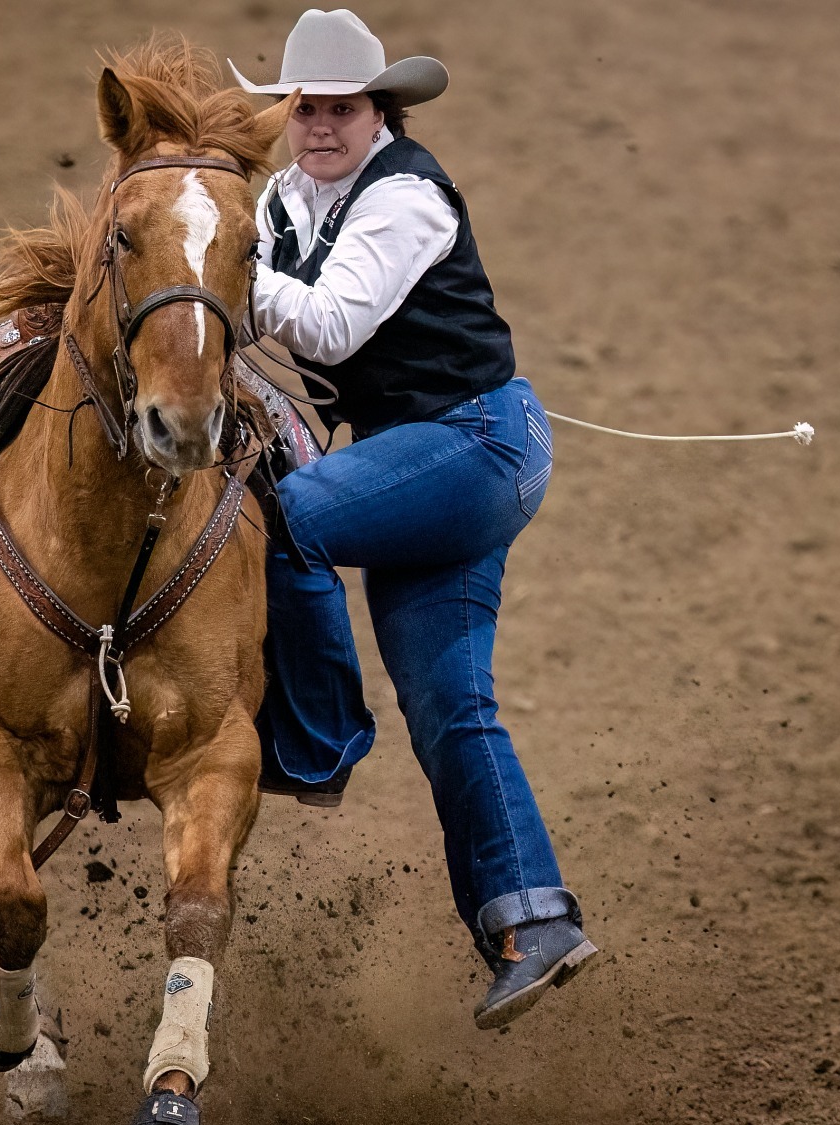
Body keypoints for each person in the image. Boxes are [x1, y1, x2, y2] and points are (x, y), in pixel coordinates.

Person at [231, 9, 596, 1030]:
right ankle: (533, 921)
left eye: (339, 109)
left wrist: (211, 266)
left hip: (476, 447)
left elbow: (331, 327)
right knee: (448, 707)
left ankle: (316, 741)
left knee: (290, 515)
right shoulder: (281, 199)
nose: (318, 126)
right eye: (304, 108)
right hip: (424, 461)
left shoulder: (405, 195)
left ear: (379, 111)